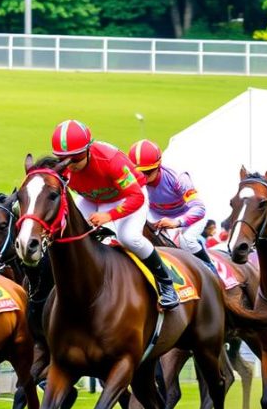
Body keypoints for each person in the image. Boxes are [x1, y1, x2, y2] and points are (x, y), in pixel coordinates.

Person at [49, 120, 178, 309]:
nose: (70, 165)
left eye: (75, 159)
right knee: (68, 233)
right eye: (63, 159)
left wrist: (108, 216)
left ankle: (166, 283)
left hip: (126, 196)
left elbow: (136, 197)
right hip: (92, 197)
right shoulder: (63, 168)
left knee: (129, 237)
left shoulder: (110, 161)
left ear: (87, 150)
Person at [128, 139, 214, 271]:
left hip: (187, 215)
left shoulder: (178, 178)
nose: (143, 178)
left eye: (148, 172)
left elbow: (199, 208)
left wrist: (177, 222)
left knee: (187, 241)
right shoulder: (129, 179)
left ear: (159, 165)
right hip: (156, 215)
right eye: (138, 173)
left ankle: (210, 270)